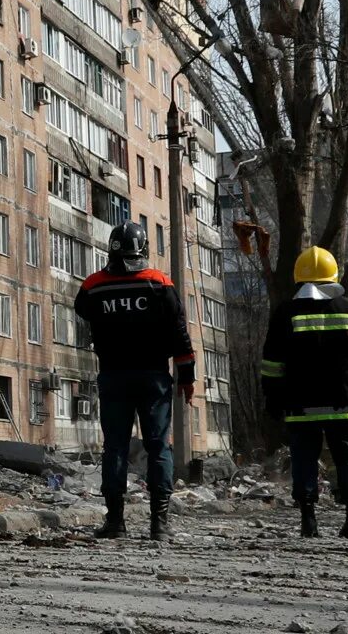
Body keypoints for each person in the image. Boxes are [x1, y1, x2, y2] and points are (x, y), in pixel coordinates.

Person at [74, 220, 196, 541]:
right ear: (142, 250)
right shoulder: (159, 284)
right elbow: (179, 333)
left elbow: (81, 309)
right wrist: (188, 377)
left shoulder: (93, 286)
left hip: (113, 377)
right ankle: (160, 523)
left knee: (115, 447)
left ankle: (115, 521)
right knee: (158, 446)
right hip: (154, 378)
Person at [261, 245, 348, 539]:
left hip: (300, 406)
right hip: (346, 403)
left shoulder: (285, 313)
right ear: (333, 276)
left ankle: (308, 522)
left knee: (304, 460)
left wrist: (274, 400)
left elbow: (271, 365)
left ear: (299, 278)